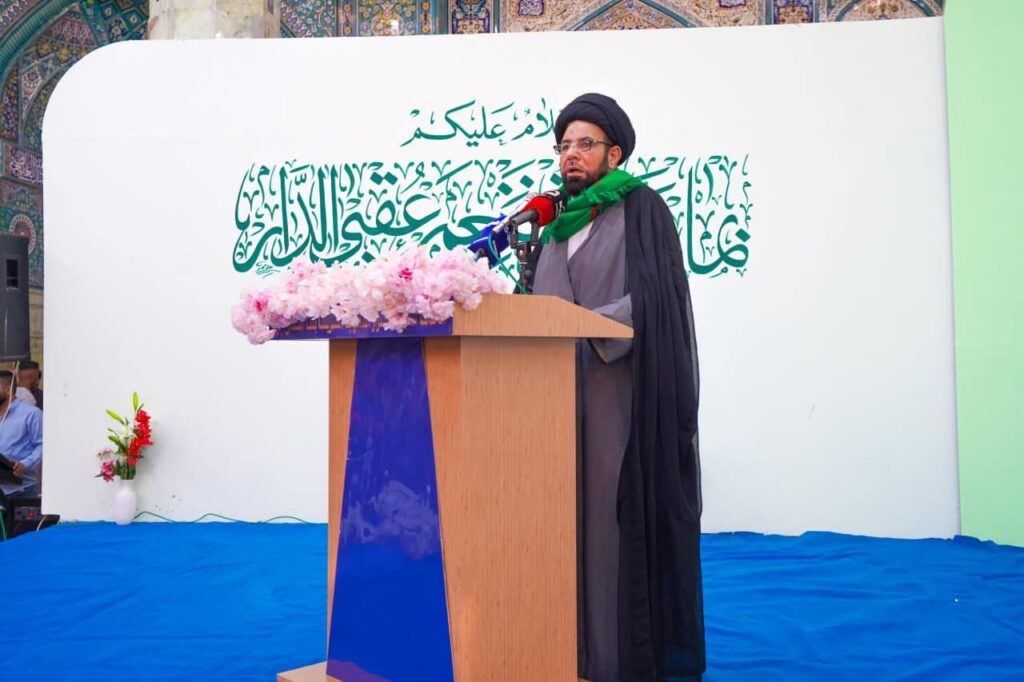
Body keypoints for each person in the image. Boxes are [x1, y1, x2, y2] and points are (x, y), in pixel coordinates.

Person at [529, 93, 704, 682]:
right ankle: (554, 652)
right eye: (564, 146)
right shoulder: (554, 223)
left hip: (615, 395)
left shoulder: (641, 209)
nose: (571, 156)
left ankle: (609, 662)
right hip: (549, 396)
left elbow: (658, 299)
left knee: (607, 527)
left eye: (585, 144)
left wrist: (588, 327)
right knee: (553, 519)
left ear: (615, 153)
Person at [0, 370, 43, 496]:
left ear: (8, 390)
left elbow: (43, 446)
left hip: (21, 491)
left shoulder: (31, 414)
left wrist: (25, 464)